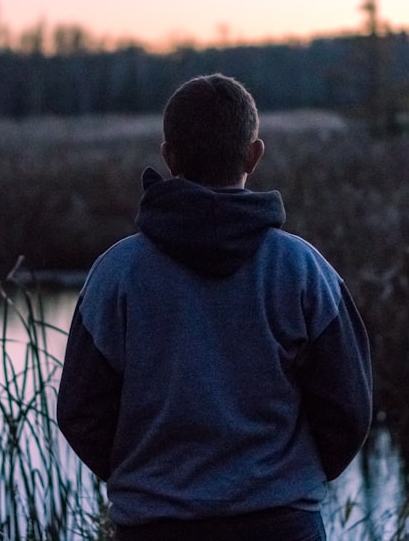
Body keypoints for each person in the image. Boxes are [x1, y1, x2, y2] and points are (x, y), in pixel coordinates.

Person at [57, 73, 372, 540]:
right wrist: (281, 481)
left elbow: (80, 412)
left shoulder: (116, 274)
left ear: (168, 156)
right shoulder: (302, 269)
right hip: (282, 526)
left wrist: (150, 480)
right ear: (253, 154)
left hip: (154, 529)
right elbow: (349, 410)